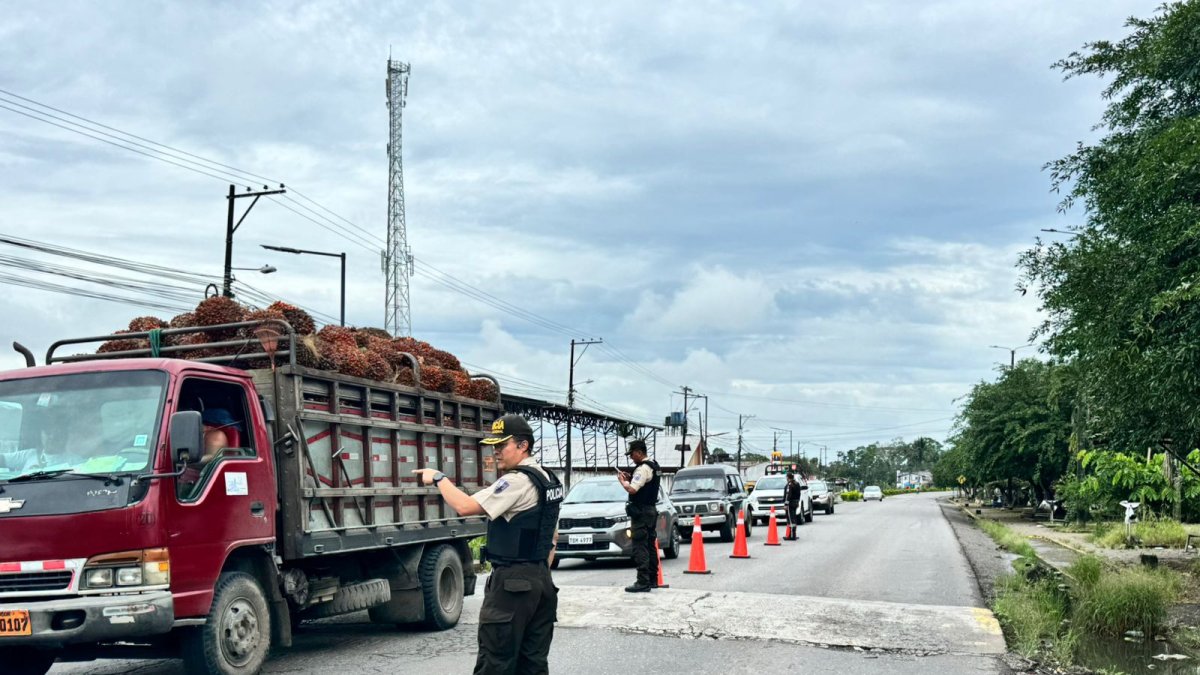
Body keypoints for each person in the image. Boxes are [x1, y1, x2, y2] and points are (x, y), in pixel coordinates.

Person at [413, 414, 562, 675]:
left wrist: (438, 478)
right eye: (494, 446)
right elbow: (553, 537)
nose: (496, 451)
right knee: (533, 665)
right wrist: (538, 573)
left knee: (495, 662)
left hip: (513, 583)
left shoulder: (517, 481)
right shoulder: (548, 479)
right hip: (542, 583)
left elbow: (464, 506)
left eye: (502, 445)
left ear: (523, 445)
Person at [615, 439, 660, 593]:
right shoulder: (654, 465)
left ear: (639, 452)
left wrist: (623, 482)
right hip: (651, 510)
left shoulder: (642, 469)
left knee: (640, 545)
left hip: (641, 513)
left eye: (632, 454)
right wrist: (631, 478)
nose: (631, 457)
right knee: (650, 545)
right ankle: (653, 579)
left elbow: (632, 489)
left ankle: (642, 581)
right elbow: (644, 484)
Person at [783, 472, 802, 540]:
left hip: (790, 504)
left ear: (788, 477)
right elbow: (799, 494)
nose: (786, 478)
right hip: (795, 503)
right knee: (794, 518)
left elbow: (788, 495)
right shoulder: (797, 483)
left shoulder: (790, 485)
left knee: (790, 519)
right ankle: (793, 534)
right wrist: (798, 502)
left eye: (786, 477)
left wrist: (786, 504)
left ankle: (791, 536)